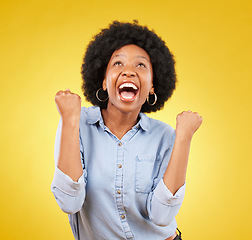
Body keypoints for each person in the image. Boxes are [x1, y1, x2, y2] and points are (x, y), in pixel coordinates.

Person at [51, 21, 202, 240]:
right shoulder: (77, 122)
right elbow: (69, 202)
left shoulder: (166, 136)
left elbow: (162, 215)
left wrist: (184, 138)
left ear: (152, 86)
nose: (128, 72)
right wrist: (70, 120)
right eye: (118, 64)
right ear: (104, 81)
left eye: (140, 65)